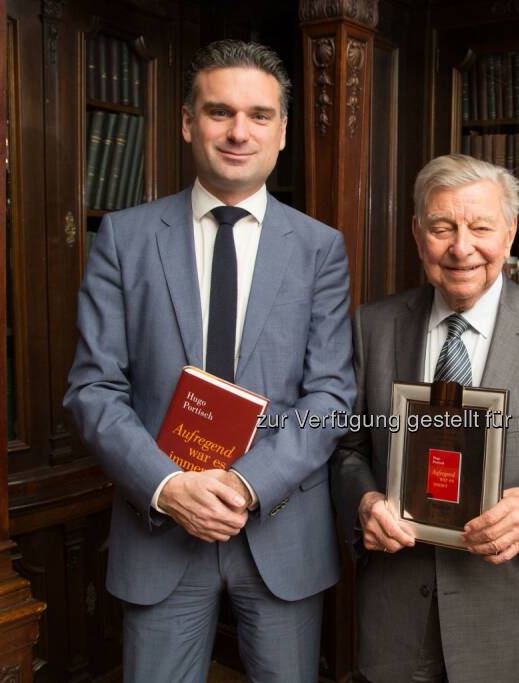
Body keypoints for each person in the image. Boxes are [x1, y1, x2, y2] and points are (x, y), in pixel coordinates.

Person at [64, 40, 354, 682]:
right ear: (189, 122)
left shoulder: (319, 249)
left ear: (282, 132)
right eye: (220, 112)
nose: (238, 132)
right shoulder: (124, 237)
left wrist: (247, 485)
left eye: (259, 115)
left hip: (280, 528)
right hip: (159, 525)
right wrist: (170, 487)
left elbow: (331, 398)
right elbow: (93, 389)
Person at [331, 154, 519, 683]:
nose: (461, 248)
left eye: (480, 227)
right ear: (419, 234)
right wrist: (364, 502)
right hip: (395, 613)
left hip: (505, 621)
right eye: (442, 227)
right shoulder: (372, 326)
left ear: (509, 233)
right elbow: (348, 451)